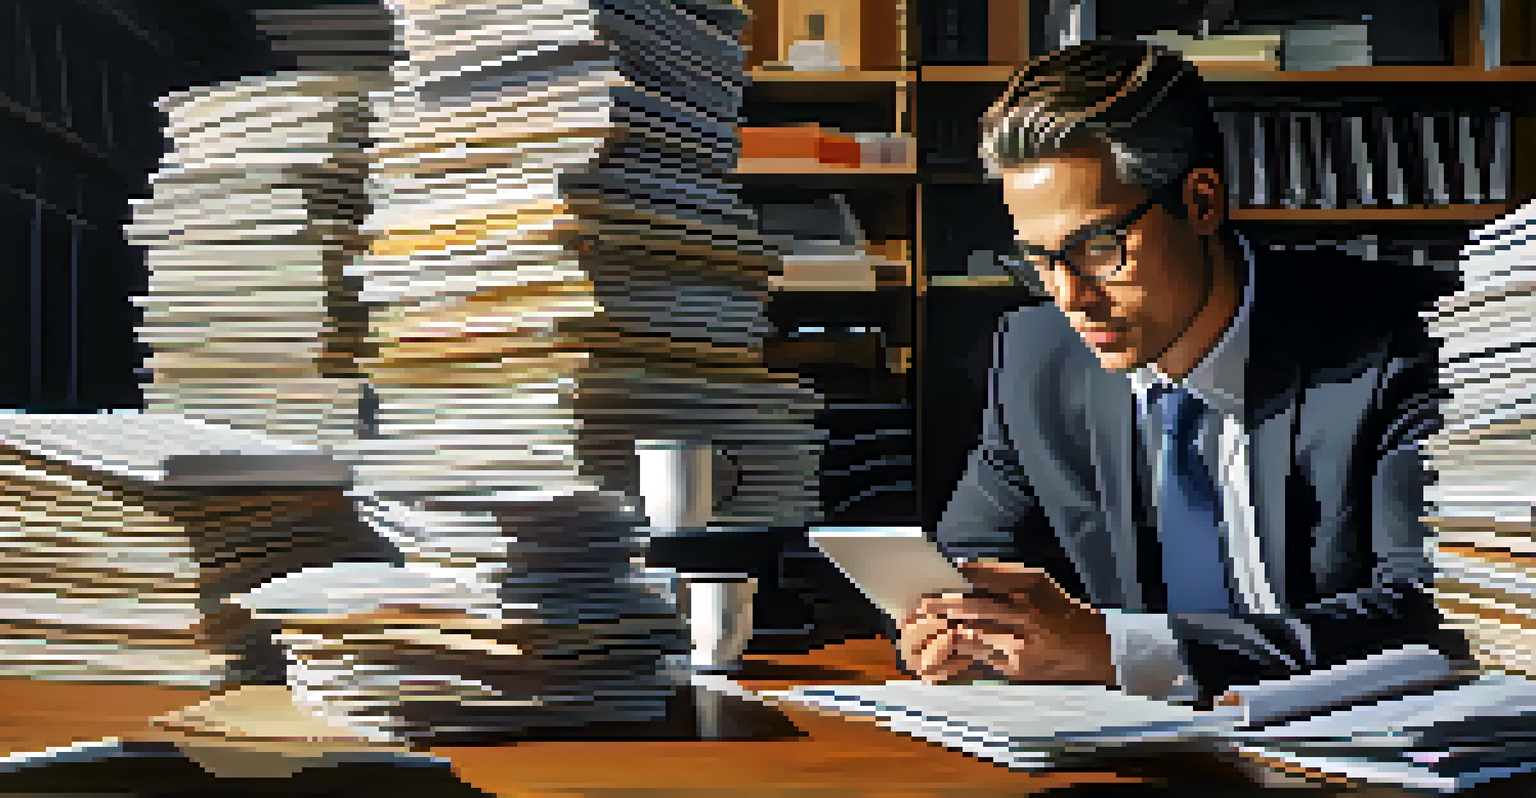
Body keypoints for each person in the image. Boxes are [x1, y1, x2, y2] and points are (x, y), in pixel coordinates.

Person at [898, 40, 1467, 704]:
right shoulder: (1035, 360)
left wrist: (1119, 650)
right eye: (1039, 260)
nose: (1070, 297)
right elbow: (963, 565)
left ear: (1200, 203)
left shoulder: (1402, 344)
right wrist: (945, 629)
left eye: (1098, 248)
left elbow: (1431, 609)